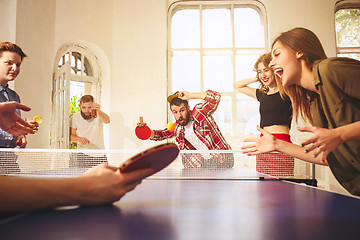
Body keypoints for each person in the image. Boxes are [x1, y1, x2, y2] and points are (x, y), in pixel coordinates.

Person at [241, 27, 360, 196]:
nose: (272, 63)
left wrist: (340, 134)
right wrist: (277, 144)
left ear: (299, 53)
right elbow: (328, 158)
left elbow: (338, 138)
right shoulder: (312, 101)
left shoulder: (331, 69)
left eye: (277, 54)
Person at [234, 53, 294, 177]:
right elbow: (237, 85)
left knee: (282, 184)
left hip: (281, 141)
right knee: (264, 184)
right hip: (262, 143)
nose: (263, 75)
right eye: (259, 71)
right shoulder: (262, 94)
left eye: (266, 70)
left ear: (274, 69)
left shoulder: (288, 91)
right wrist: (258, 78)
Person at [139, 90, 234, 168]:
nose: (179, 115)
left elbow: (215, 97)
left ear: (188, 108)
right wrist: (145, 131)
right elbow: (160, 135)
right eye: (175, 112)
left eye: (182, 110)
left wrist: (190, 95)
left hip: (223, 158)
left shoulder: (199, 112)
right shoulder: (177, 128)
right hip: (204, 164)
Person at [0, 42, 33, 174]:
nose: (15, 68)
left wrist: (21, 135)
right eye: (9, 63)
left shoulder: (14, 96)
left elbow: (12, 127)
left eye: (18, 65)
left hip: (10, 160)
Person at [70, 95, 110, 168]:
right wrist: (79, 139)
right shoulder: (75, 117)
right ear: (80, 106)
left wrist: (98, 111)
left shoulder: (98, 115)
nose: (86, 110)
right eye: (84, 107)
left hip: (100, 153)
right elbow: (70, 137)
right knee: (85, 178)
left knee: (104, 178)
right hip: (83, 154)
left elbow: (107, 121)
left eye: (89, 107)